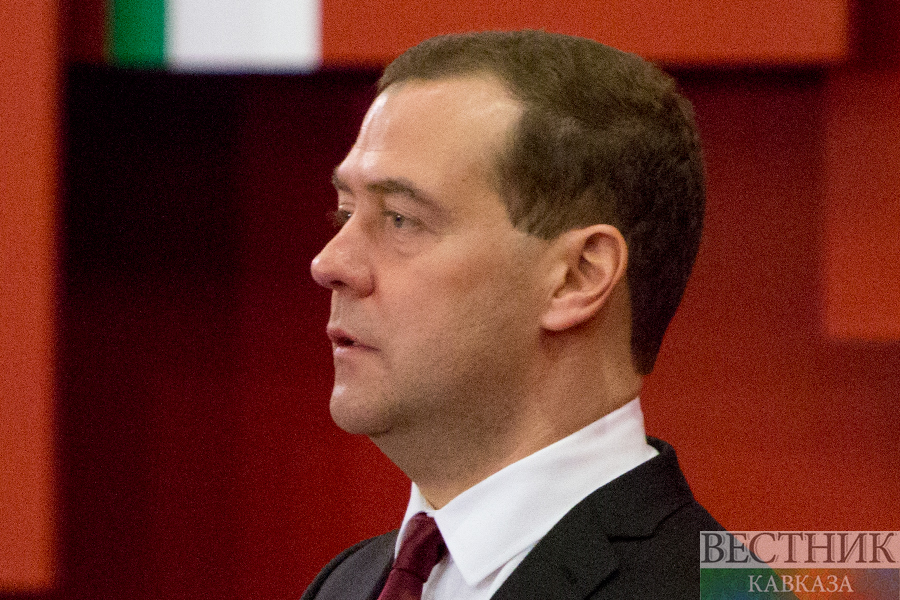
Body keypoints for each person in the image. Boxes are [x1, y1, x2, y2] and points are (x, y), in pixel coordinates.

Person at [305, 29, 722, 600]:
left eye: (401, 219)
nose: (329, 264)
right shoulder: (345, 584)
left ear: (577, 277)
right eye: (345, 212)